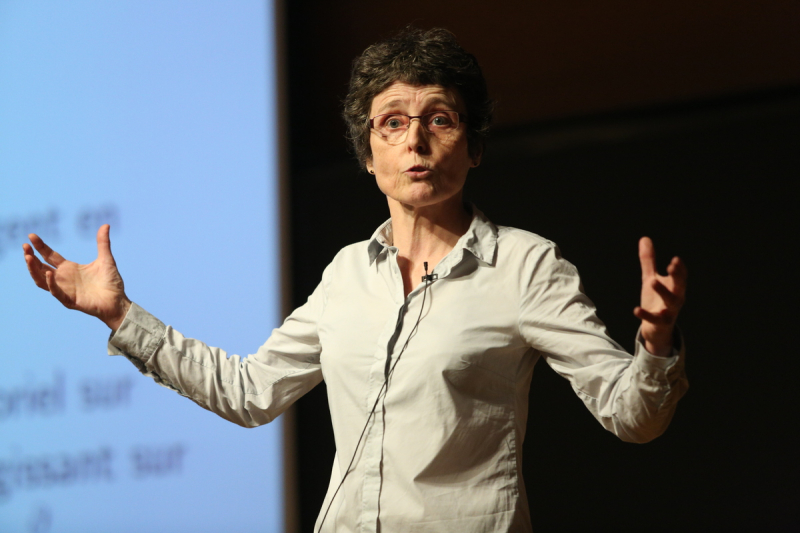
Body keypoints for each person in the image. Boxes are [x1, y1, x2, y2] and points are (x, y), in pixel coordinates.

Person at [23, 27, 688, 533]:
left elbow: (633, 417)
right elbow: (249, 391)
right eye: (393, 122)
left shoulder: (523, 265)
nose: (416, 141)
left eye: (441, 118)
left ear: (474, 146)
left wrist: (655, 342)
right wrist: (121, 316)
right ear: (369, 155)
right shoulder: (347, 273)